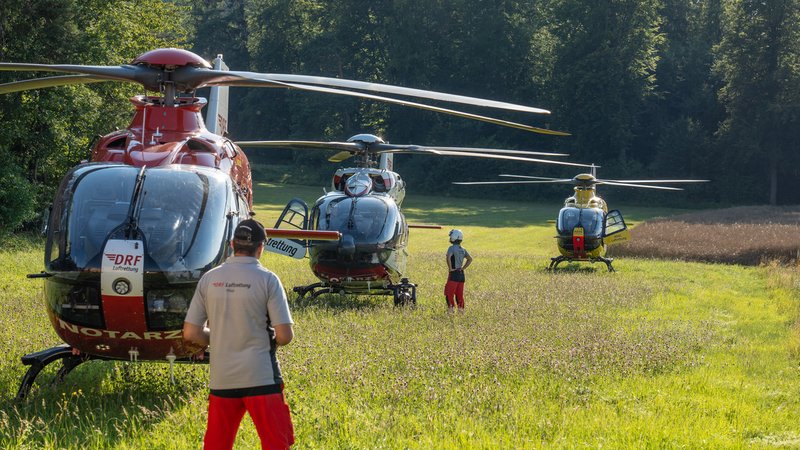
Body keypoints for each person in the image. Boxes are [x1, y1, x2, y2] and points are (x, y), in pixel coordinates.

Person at [183, 219, 295, 449]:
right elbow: (284, 336)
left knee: (217, 444)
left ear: (233, 244)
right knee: (276, 443)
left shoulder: (209, 279)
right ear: (261, 247)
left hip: (222, 379)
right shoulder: (268, 280)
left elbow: (191, 333)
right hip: (261, 376)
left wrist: (221, 335)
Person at [445, 229, 473, 312]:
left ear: (454, 237)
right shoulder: (463, 249)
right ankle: (461, 311)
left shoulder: (451, 248)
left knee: (449, 294)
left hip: (453, 274)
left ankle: (451, 311)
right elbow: (470, 259)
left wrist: (450, 268)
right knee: (459, 295)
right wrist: (463, 268)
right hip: (461, 274)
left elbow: (448, 257)